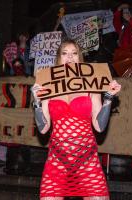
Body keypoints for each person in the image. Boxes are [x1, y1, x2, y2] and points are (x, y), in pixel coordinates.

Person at [31, 39, 121, 200]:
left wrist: (108, 99)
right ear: (58, 58)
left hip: (87, 159)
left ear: (80, 58)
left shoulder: (91, 85)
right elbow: (43, 128)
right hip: (57, 159)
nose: (70, 58)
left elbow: (99, 127)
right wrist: (36, 103)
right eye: (65, 53)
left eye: (74, 53)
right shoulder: (48, 86)